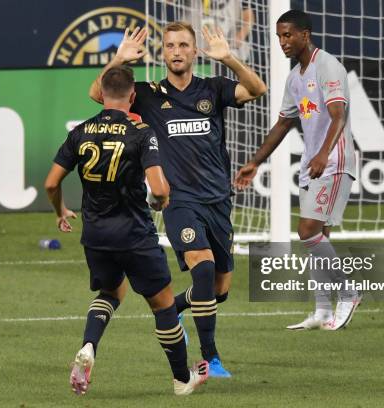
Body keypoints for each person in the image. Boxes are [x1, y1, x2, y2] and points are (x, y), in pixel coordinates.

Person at [89, 22, 266, 377]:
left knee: (219, 289)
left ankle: (175, 309)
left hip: (217, 199)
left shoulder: (212, 89)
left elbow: (257, 89)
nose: (177, 51)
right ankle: (210, 358)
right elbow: (100, 94)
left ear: (194, 51)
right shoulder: (149, 94)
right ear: (164, 53)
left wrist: (229, 58)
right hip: (178, 201)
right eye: (170, 45)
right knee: (201, 269)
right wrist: (118, 60)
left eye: (184, 45)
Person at [45, 65, 208, 396]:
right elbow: (160, 190)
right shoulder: (141, 132)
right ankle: (181, 379)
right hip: (134, 233)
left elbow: (51, 182)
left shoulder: (80, 131)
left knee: (110, 294)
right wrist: (160, 203)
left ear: (101, 94)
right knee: (163, 305)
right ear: (133, 96)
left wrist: (60, 209)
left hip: (96, 234)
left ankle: (89, 346)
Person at [234, 9, 360, 331]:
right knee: (319, 235)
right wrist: (256, 160)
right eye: (278, 36)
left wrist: (322, 154)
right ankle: (321, 310)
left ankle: (348, 292)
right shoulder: (294, 77)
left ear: (305, 34)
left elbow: (338, 116)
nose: (283, 42)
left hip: (333, 162)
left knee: (307, 231)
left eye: (288, 35)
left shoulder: (327, 65)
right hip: (312, 165)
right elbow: (284, 123)